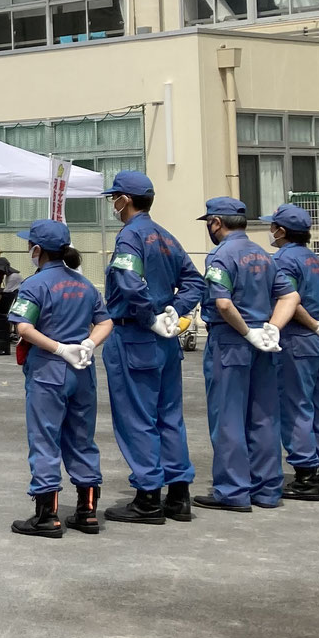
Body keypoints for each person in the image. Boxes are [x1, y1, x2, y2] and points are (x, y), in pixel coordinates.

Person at [95, 171, 208, 525]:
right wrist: (175, 310)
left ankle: (147, 497)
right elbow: (194, 282)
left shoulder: (130, 236)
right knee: (169, 416)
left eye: (115, 197)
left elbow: (129, 284)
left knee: (137, 419)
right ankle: (178, 495)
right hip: (165, 339)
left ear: (124, 200)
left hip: (134, 336)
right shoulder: (165, 237)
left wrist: (149, 316)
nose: (113, 204)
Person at [7, 219, 111, 537]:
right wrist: (88, 345)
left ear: (38, 250)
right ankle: (87, 511)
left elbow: (23, 327)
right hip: (83, 370)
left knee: (45, 439)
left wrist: (58, 348)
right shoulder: (84, 284)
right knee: (82, 438)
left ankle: (47, 515)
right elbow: (105, 322)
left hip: (48, 371)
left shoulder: (34, 285)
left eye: (30, 246)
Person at [196, 196, 281, 512]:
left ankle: (233, 490)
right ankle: (268, 489)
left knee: (229, 417)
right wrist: (269, 328)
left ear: (216, 223)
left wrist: (246, 332)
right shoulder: (264, 255)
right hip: (264, 342)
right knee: (264, 416)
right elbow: (289, 295)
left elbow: (222, 303)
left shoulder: (220, 256)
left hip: (232, 341)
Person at [264, 204, 319, 500]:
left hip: (298, 341)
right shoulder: (316, 261)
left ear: (281, 231)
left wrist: (314, 326)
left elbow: (290, 302)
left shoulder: (282, 260)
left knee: (296, 408)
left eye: (273, 227)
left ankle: (306, 475)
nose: (271, 231)